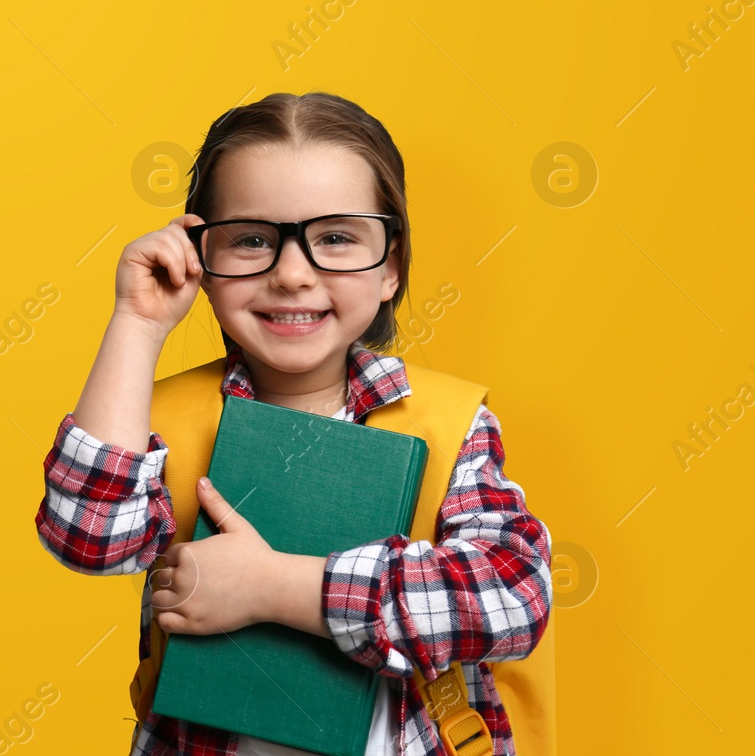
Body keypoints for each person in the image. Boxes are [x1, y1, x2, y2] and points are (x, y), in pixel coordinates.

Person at [33, 92, 553, 755]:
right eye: (252, 240)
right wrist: (137, 324)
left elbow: (511, 594)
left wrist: (272, 589)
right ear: (201, 258)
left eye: (335, 238)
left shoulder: (448, 424)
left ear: (390, 266)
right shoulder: (164, 425)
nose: (292, 274)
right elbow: (89, 536)